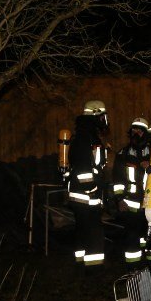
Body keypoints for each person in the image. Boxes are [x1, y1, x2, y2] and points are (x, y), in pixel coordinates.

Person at [65, 100, 109, 266]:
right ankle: (93, 270)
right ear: (95, 116)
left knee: (82, 232)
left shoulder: (86, 134)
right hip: (87, 195)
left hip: (82, 196)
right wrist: (93, 189)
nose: (104, 121)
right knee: (93, 235)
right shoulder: (85, 137)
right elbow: (84, 168)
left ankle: (81, 266)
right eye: (102, 117)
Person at [113, 116, 151, 264]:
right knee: (132, 240)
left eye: (140, 131)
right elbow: (117, 180)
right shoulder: (123, 154)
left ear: (145, 133)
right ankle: (133, 269)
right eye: (133, 130)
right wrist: (119, 199)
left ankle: (150, 268)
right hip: (131, 206)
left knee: (149, 239)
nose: (136, 134)